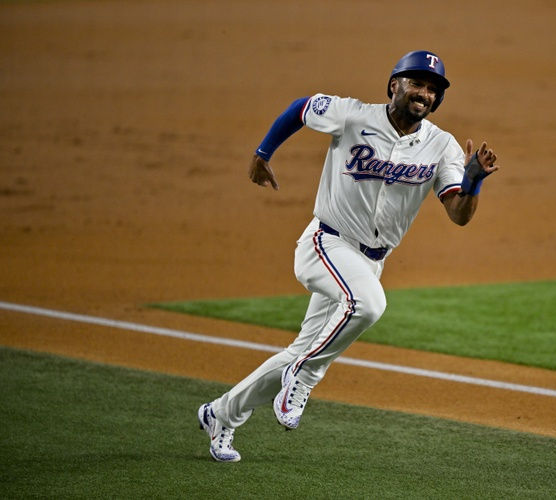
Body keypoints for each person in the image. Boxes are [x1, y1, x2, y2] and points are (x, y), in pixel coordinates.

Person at [198, 50, 499, 462]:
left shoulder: (441, 146)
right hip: (325, 244)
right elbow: (300, 108)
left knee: (300, 348)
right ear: (394, 85)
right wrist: (262, 154)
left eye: (432, 89)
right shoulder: (352, 115)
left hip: (369, 261)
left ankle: (221, 414)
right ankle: (304, 376)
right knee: (369, 303)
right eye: (416, 83)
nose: (424, 94)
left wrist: (474, 181)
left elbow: (458, 214)